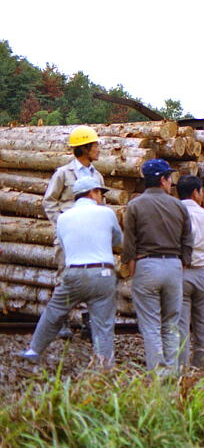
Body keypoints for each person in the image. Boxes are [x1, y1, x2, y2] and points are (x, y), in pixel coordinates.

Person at [18, 176, 121, 367]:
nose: (101, 197)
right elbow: (117, 240)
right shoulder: (107, 213)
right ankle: (104, 365)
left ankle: (34, 350)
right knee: (103, 324)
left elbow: (65, 246)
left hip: (75, 276)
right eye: (100, 193)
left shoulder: (63, 218)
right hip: (103, 276)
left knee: (54, 311)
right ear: (92, 193)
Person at [123, 158, 192, 373]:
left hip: (147, 265)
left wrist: (130, 265)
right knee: (171, 324)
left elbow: (130, 241)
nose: (171, 182)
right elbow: (187, 239)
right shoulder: (178, 205)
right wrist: (183, 263)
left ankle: (158, 373)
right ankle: (173, 372)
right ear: (162, 180)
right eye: (169, 178)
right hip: (173, 266)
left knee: (151, 325)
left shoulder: (135, 205)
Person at [42, 125, 105, 338]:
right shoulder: (63, 174)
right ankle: (61, 322)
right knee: (65, 277)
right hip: (68, 238)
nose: (98, 149)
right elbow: (49, 201)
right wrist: (62, 225)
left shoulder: (97, 176)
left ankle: (90, 324)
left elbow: (101, 206)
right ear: (84, 148)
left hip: (91, 238)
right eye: (95, 145)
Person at [177, 175, 204, 370]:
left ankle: (181, 368)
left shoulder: (175, 213)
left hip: (182, 272)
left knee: (181, 325)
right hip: (202, 274)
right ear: (195, 192)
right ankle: (201, 368)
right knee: (202, 325)